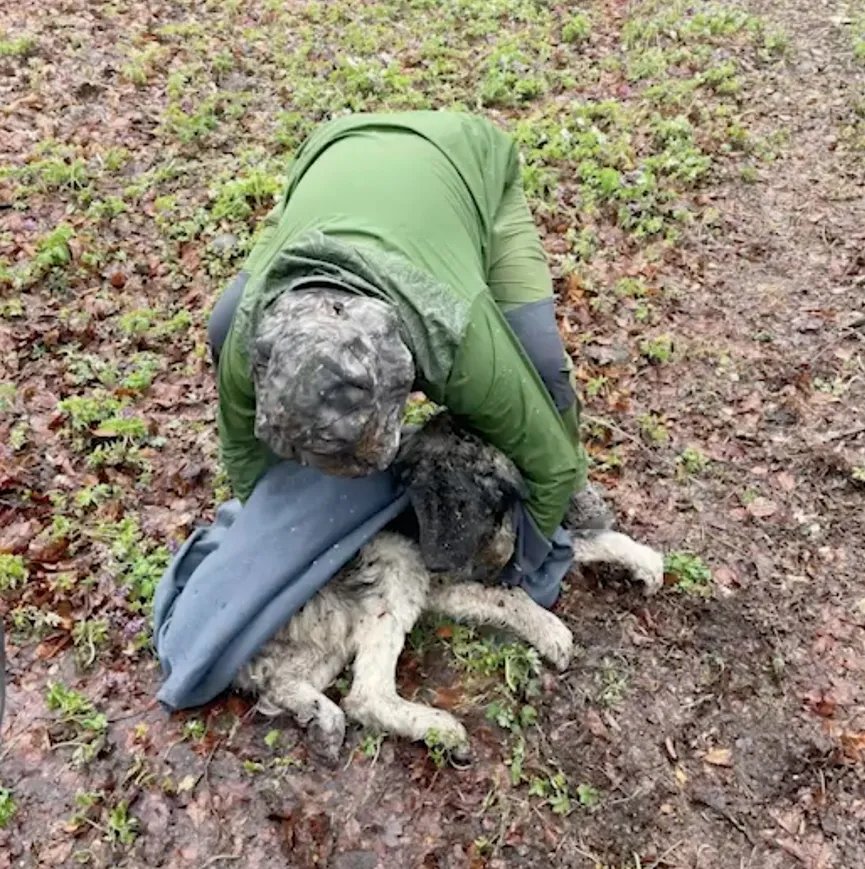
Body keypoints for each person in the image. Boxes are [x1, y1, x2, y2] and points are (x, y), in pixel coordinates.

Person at [207, 110, 611, 603]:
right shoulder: (253, 337)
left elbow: (547, 465)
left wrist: (523, 569)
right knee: (221, 324)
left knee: (543, 368)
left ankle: (581, 488)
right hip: (333, 154)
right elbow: (244, 452)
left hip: (464, 161)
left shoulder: (459, 338)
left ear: (404, 379)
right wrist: (271, 536)